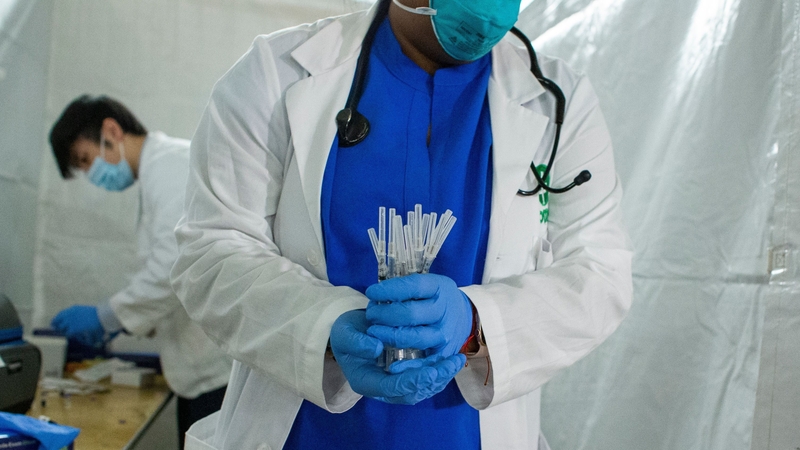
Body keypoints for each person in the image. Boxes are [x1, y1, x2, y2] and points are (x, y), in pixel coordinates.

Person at [170, 0, 633, 448]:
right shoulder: (275, 73)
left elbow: (600, 274)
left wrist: (474, 324)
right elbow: (212, 252)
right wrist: (322, 328)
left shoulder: (560, 102)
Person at [47, 95, 233, 448]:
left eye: (85, 160)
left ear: (111, 130)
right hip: (201, 372)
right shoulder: (155, 174)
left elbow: (174, 265)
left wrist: (108, 315)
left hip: (217, 372)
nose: (92, 176)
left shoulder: (171, 165)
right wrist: (136, 320)